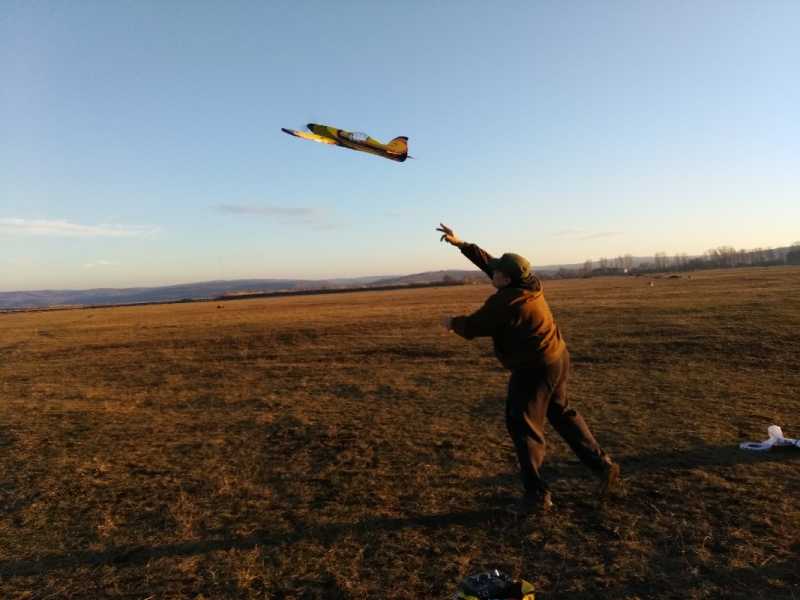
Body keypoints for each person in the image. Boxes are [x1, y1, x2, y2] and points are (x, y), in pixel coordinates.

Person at [436, 223, 620, 513]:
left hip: (534, 368)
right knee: (561, 413)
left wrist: (452, 323)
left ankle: (537, 496)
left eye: (497, 273)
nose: (492, 273)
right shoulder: (529, 283)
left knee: (522, 425)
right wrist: (461, 244)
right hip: (557, 357)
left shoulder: (508, 301)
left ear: (506, 279)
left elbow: (474, 326)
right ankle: (602, 464)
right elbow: (490, 264)